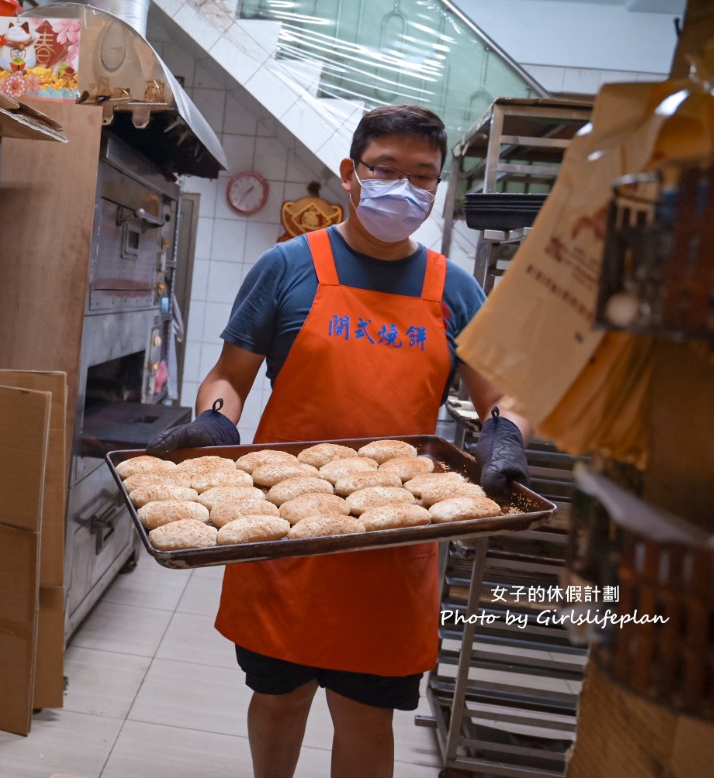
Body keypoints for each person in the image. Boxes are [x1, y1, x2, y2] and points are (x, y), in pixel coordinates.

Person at [148, 104, 531, 778]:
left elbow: (501, 395)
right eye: (387, 169)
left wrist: (504, 437)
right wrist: (215, 420)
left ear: (437, 188)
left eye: (422, 177)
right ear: (352, 173)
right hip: (282, 532)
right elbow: (229, 375)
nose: (404, 188)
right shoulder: (287, 266)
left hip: (391, 538)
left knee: (365, 711)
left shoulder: (456, 290)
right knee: (278, 694)